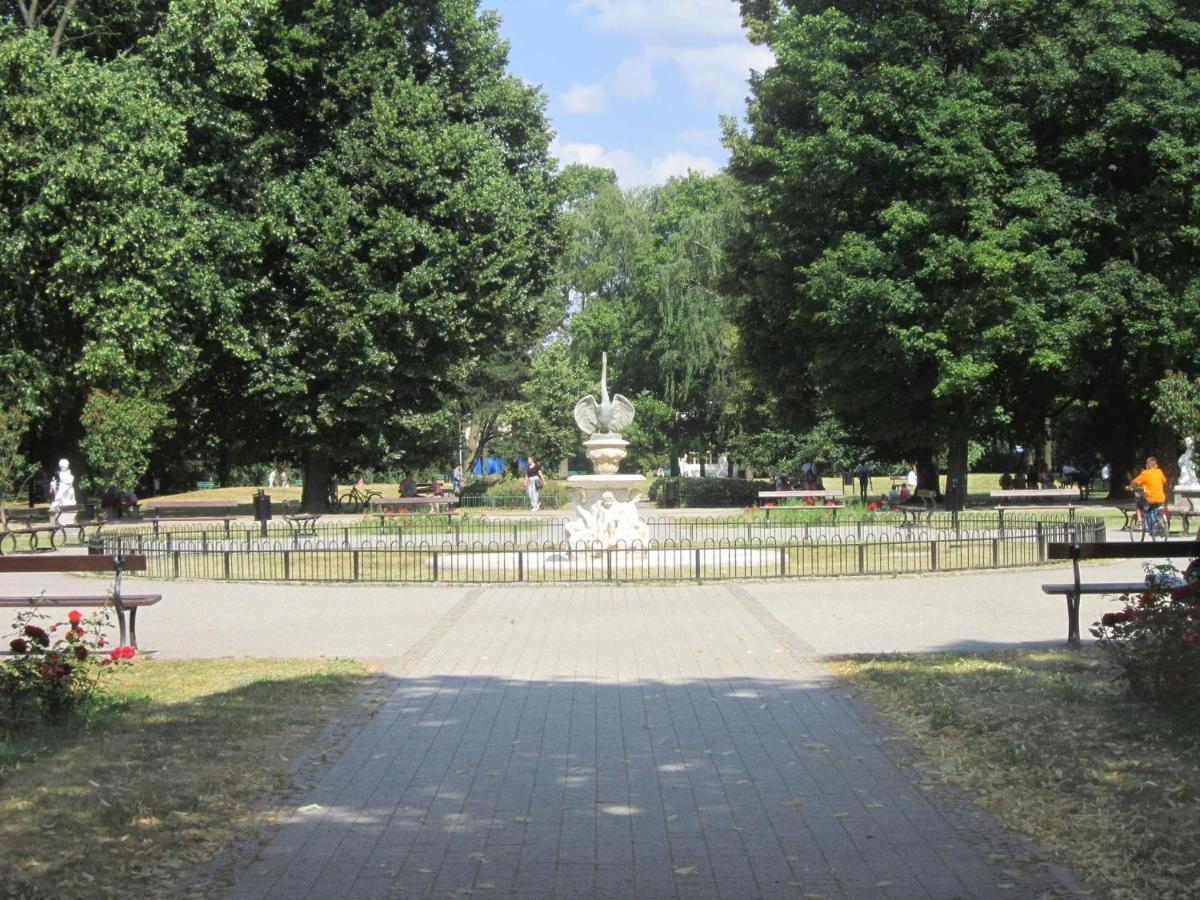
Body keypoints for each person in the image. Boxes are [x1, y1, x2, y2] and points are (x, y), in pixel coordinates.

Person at [1129, 457, 1169, 535]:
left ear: (1147, 466)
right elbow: (1165, 481)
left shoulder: (1145, 473)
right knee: (1159, 508)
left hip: (1150, 499)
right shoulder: (1160, 472)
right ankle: (1162, 520)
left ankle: (1140, 522)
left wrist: (1130, 487)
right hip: (1161, 498)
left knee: (1138, 503)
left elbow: (1135, 482)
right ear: (1156, 465)